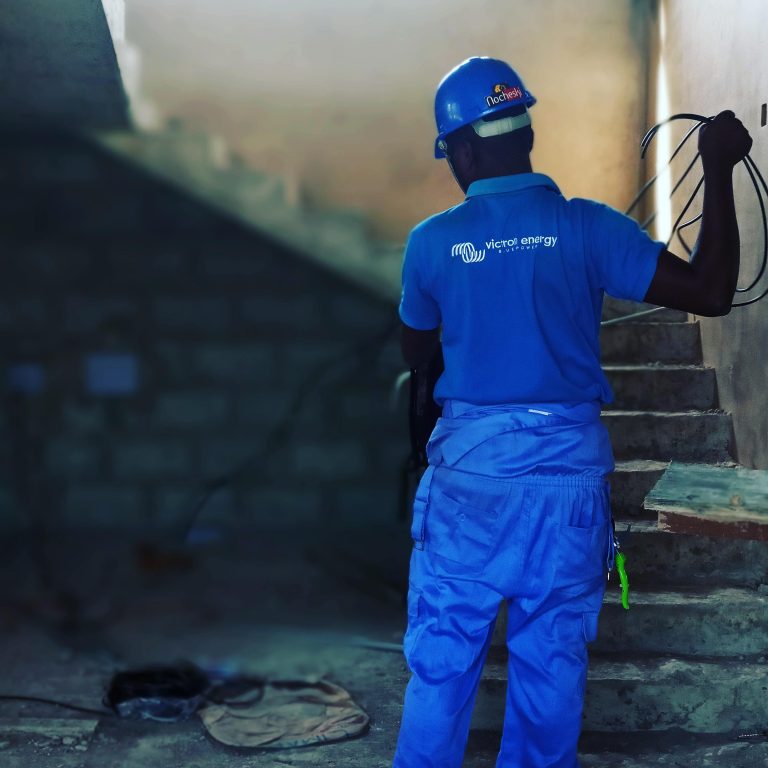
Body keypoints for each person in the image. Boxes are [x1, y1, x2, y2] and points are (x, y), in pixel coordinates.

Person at [392, 56, 752, 768]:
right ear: (526, 135)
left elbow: (417, 353)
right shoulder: (588, 228)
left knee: (441, 666)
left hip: (469, 485)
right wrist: (716, 168)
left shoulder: (431, 241)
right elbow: (711, 291)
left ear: (463, 152)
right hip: (567, 487)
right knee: (550, 671)